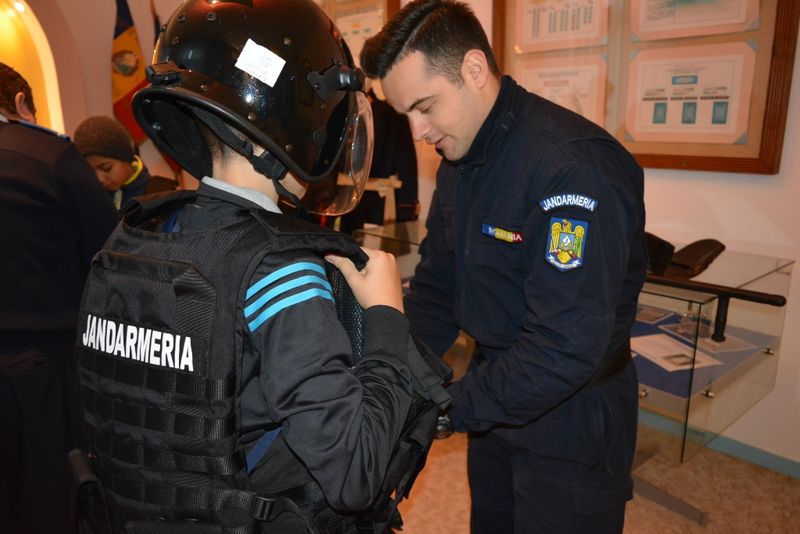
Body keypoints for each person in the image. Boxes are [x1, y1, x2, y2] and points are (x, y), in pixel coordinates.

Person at [71, 1, 448, 533]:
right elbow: (354, 473)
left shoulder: (136, 235)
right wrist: (387, 316)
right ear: (293, 120)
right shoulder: (279, 269)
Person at [361, 1, 647, 533]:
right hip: (495, 393)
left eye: (425, 106)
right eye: (406, 115)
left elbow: (563, 347)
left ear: (473, 69)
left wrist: (440, 409)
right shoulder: (460, 159)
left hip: (571, 415)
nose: (418, 131)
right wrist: (391, 372)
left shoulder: (572, 168)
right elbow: (437, 290)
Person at [0, 62, 118, 534]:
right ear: (22, 103)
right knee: (54, 503)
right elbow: (109, 253)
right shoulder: (47, 154)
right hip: (45, 372)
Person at [338, 81, 419, 235]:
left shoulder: (392, 114)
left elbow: (406, 164)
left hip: (377, 204)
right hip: (344, 200)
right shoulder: (344, 113)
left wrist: (406, 208)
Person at [73, 115, 177, 209]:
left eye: (106, 168)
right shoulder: (94, 200)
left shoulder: (160, 194)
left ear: (126, 157)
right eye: (90, 171)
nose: (100, 179)